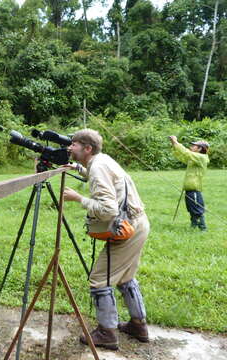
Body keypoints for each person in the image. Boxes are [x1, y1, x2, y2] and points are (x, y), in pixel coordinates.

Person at [62, 129, 150, 350]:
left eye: (74, 144)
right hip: (137, 224)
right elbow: (97, 174)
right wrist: (78, 169)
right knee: (126, 277)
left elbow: (108, 210)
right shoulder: (101, 161)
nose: (69, 147)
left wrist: (79, 198)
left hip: (125, 228)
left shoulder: (98, 166)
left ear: (87, 148)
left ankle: (106, 333)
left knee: (99, 279)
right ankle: (138, 326)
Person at [169, 136, 209, 231]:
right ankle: (194, 226)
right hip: (189, 189)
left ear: (200, 149)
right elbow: (182, 155)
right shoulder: (194, 158)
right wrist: (174, 145)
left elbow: (186, 152)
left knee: (197, 209)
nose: (192, 146)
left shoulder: (201, 157)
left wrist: (176, 142)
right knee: (191, 208)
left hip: (194, 189)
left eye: (194, 145)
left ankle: (203, 228)